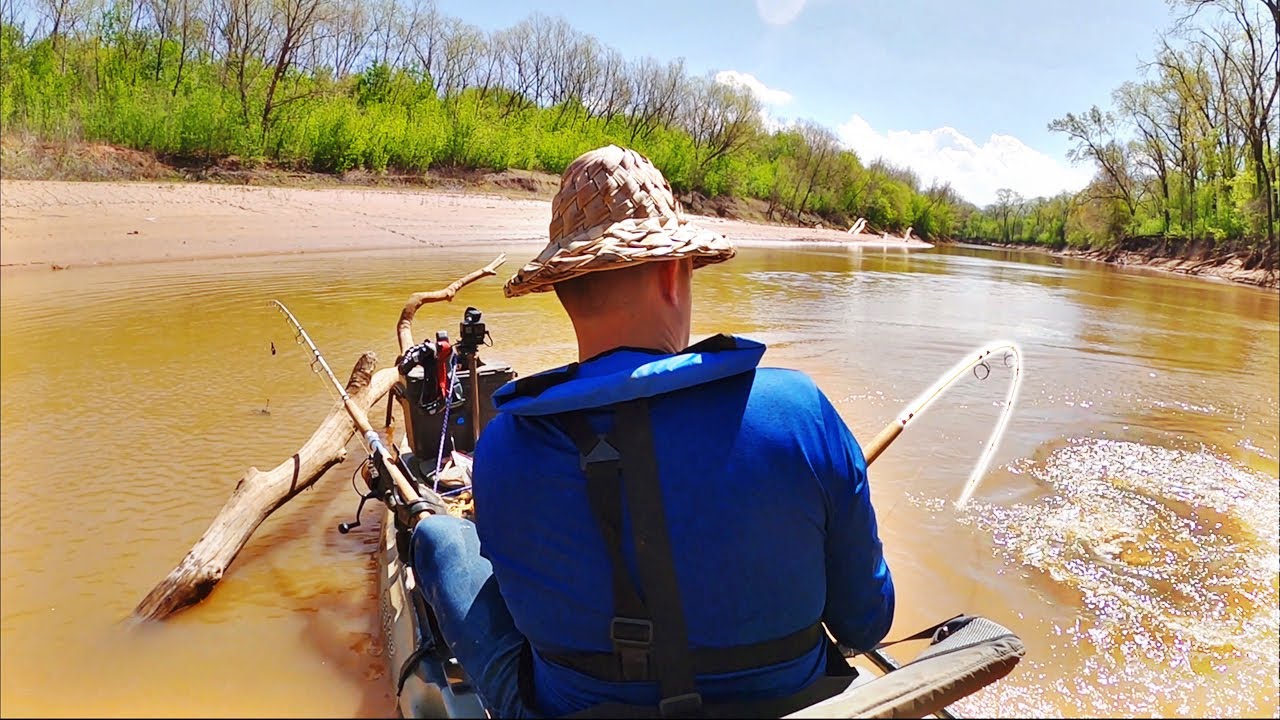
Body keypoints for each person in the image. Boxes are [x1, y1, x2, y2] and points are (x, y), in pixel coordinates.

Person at [410, 145, 894, 719]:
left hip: (575, 708)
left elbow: (521, 609)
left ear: (565, 291)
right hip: (793, 702)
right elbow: (866, 623)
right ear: (672, 275)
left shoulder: (503, 446)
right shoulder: (799, 410)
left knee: (441, 540)